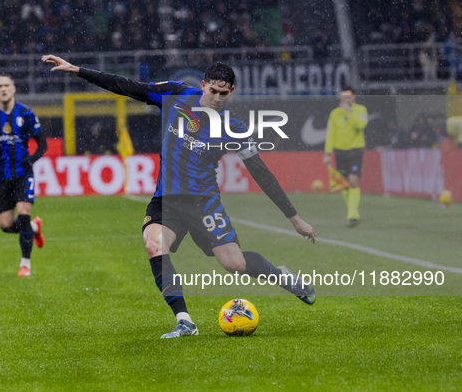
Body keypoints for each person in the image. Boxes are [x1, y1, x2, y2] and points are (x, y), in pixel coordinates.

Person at [42, 55, 316, 338]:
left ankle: (281, 275)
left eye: (224, 93)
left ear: (231, 92)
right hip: (167, 199)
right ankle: (185, 321)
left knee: (235, 264)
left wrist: (294, 218)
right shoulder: (176, 95)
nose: (218, 98)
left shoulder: (233, 127)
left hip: (203, 202)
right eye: (213, 91)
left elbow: (261, 173)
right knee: (153, 244)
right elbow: (128, 86)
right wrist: (78, 70)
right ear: (203, 85)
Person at [0, 75, 48, 277]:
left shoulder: (25, 113)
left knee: (23, 214)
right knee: (6, 225)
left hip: (23, 173)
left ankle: (25, 264)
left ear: (13, 89)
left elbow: (43, 143)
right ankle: (34, 227)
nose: (4, 89)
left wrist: (31, 160)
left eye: (7, 85)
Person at [323, 86, 368, 227]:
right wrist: (327, 153)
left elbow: (361, 124)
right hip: (340, 152)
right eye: (343, 97)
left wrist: (350, 111)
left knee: (353, 180)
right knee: (344, 183)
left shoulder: (361, 110)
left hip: (355, 150)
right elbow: (331, 134)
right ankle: (351, 211)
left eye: (348, 97)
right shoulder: (335, 113)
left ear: (353, 97)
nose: (345, 100)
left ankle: (353, 213)